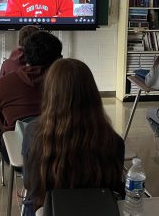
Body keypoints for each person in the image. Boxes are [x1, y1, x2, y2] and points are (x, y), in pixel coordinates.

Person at [22, 58, 125, 215]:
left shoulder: (32, 133)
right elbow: (115, 190)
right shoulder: (113, 141)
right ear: (92, 93)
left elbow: (29, 184)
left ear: (50, 93)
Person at [0, 31, 62, 162]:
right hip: (61, 153)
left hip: (17, 153)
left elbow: (0, 122)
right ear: (57, 59)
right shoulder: (67, 83)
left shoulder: (2, 84)